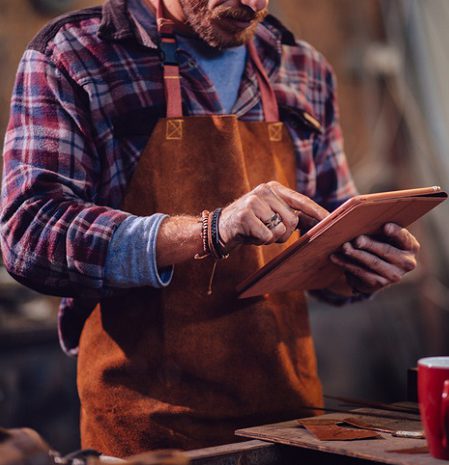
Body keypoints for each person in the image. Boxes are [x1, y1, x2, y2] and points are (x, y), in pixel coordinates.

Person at [0, 0, 420, 458]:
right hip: (151, 434)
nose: (253, 5)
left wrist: (361, 265)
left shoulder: (303, 68)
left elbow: (328, 246)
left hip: (291, 423)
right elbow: (28, 233)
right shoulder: (74, 54)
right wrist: (210, 230)